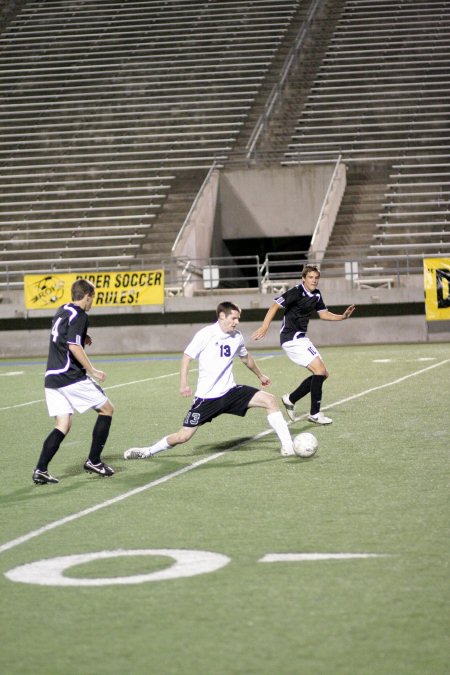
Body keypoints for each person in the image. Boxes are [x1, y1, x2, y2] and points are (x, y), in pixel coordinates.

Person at [124, 301, 296, 459]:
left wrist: (260, 375)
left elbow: (245, 358)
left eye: (238, 319)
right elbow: (186, 357)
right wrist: (183, 384)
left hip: (230, 391)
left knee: (270, 400)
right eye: (233, 318)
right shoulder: (205, 334)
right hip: (207, 399)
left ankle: (288, 446)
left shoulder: (237, 337)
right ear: (222, 316)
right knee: (183, 436)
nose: (236, 322)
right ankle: (148, 451)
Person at [32, 279, 115, 485]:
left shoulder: (63, 309)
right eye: (92, 298)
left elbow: (62, 334)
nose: (92, 303)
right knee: (107, 409)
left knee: (63, 424)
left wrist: (82, 335)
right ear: (86, 296)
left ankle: (41, 469)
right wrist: (93, 370)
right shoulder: (80, 314)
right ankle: (94, 461)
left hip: (52, 376)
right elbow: (73, 347)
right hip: (70, 376)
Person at [251, 264, 355, 425]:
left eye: (316, 278)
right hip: (291, 338)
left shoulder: (317, 294)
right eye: (311, 277)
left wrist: (342, 317)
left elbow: (324, 314)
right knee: (319, 371)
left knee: (323, 374)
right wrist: (264, 327)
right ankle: (315, 414)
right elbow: (274, 306)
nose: (314, 280)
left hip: (300, 337)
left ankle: (291, 399)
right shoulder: (296, 292)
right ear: (303, 279)